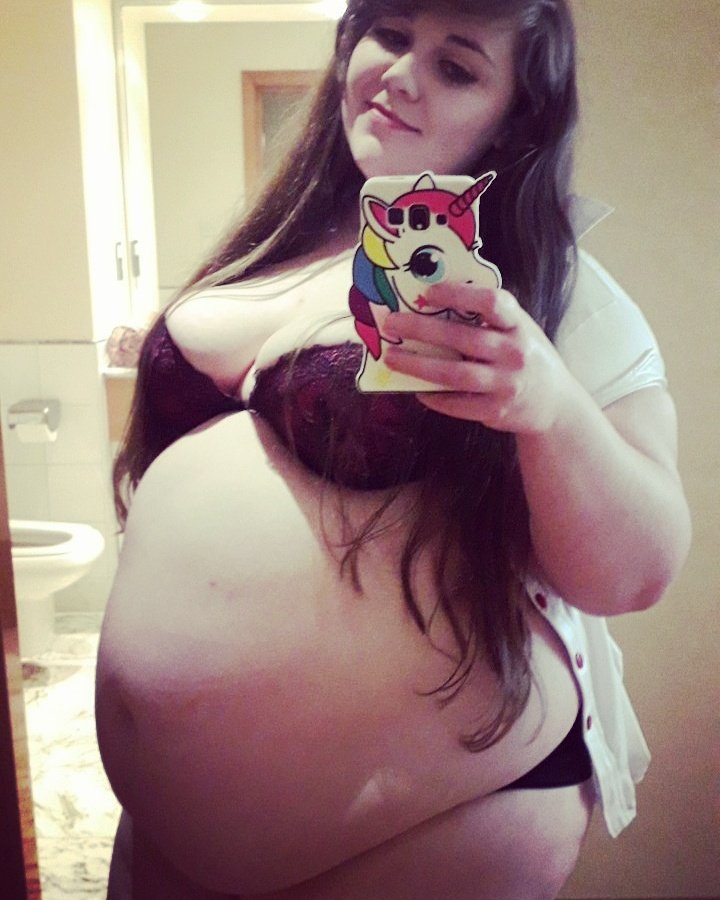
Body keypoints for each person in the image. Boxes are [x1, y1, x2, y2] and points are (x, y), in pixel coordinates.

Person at [96, 1, 691, 897]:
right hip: (170, 830)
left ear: (514, 115)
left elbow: (639, 571)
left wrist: (550, 405)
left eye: (457, 67)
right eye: (392, 34)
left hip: (417, 828)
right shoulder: (283, 235)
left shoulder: (550, 287)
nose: (403, 74)